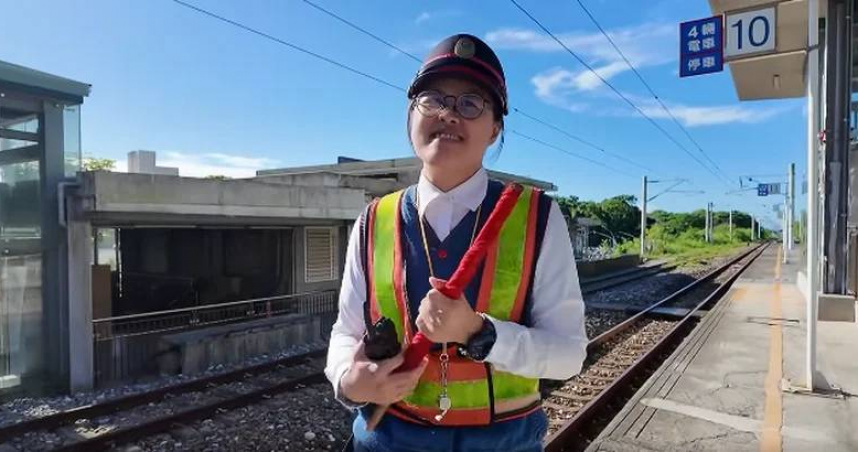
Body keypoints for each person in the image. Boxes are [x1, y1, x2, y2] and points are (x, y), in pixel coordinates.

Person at [325, 33, 588, 452]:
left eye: (470, 103)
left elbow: (569, 354)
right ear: (411, 114)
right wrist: (350, 380)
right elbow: (345, 331)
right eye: (433, 99)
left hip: (504, 442)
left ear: (495, 127)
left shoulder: (537, 216)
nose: (448, 114)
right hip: (386, 438)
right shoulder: (373, 220)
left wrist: (478, 331)